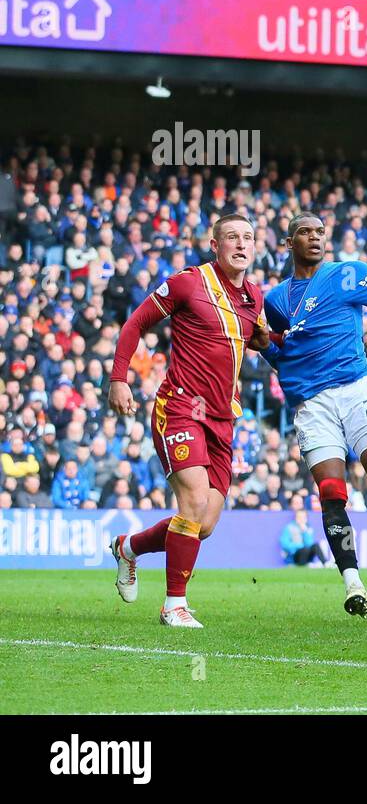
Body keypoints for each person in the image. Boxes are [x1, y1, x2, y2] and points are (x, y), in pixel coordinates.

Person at [262, 213, 367, 622]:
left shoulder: (349, 274)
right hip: (313, 404)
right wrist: (266, 348)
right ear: (290, 243)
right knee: (331, 492)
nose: (316, 238)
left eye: (321, 232)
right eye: (306, 232)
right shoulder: (276, 300)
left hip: (357, 388)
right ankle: (353, 584)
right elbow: (280, 351)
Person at [107, 214, 271, 628]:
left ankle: (128, 548)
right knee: (193, 503)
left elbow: (256, 341)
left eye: (247, 238)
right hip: (180, 407)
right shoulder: (188, 282)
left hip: (222, 418)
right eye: (231, 237)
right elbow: (136, 323)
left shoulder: (253, 297)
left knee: (204, 524)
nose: (240, 244)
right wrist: (118, 379)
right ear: (214, 245)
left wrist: (276, 340)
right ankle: (173, 605)